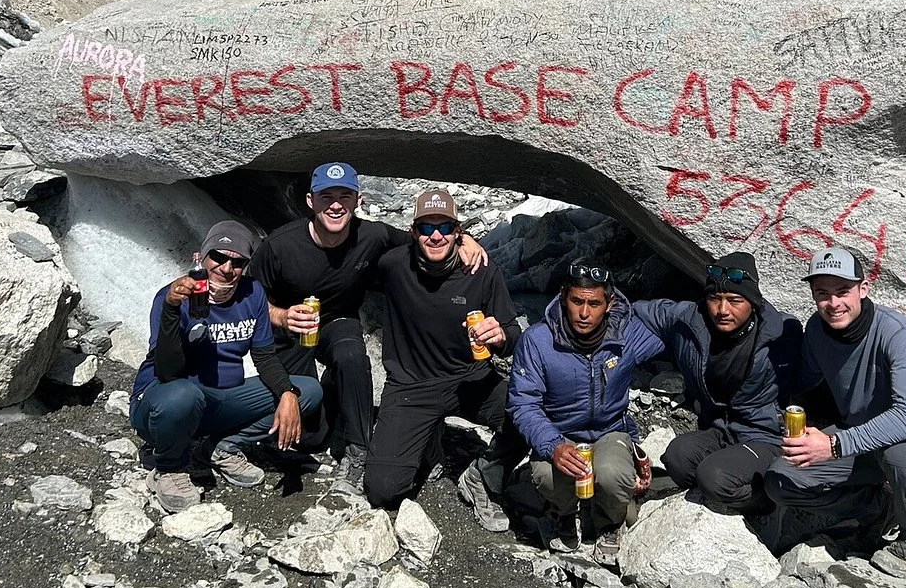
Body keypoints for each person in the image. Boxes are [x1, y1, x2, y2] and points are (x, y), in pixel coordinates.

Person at [250, 163, 485, 488]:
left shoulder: (372, 235)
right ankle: (331, 393)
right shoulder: (280, 245)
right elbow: (248, 296)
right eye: (326, 196)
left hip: (338, 321)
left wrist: (465, 239)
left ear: (357, 200)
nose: (335, 204)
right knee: (312, 437)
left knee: (351, 356)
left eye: (344, 196)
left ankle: (358, 448)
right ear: (310, 201)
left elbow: (425, 238)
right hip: (291, 327)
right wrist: (281, 316)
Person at [763, 246, 906, 577]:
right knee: (780, 481)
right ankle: (880, 507)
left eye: (843, 291)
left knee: (900, 454)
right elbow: (804, 384)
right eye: (822, 293)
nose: (833, 303)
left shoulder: (897, 334)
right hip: (861, 441)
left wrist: (833, 446)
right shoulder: (816, 330)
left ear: (863, 289)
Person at [130, 221, 323, 515]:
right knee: (183, 394)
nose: (226, 267)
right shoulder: (173, 296)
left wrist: (286, 393)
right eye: (218, 257)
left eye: (237, 262)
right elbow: (167, 372)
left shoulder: (252, 293)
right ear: (203, 257)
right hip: (162, 401)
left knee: (306, 390)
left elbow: (265, 356)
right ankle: (168, 468)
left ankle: (220, 447)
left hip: (218, 398)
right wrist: (171, 310)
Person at [363, 187, 526, 530]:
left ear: (457, 231)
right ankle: (428, 441)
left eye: (445, 227)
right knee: (382, 491)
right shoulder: (393, 265)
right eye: (426, 227)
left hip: (470, 380)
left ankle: (481, 476)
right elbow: (362, 234)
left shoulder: (481, 270)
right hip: (411, 387)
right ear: (413, 232)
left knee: (532, 419)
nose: (435, 236)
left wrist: (500, 337)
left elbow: (513, 335)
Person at [508, 262, 659, 565]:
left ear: (610, 303)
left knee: (613, 474)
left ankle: (609, 523)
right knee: (545, 474)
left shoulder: (628, 335)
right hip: (560, 432)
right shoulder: (537, 341)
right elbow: (523, 403)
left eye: (594, 303)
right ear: (564, 297)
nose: (584, 313)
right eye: (577, 301)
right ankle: (563, 513)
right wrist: (552, 445)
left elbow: (674, 333)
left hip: (610, 431)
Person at [632, 251, 801, 516]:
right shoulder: (692, 320)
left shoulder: (782, 334)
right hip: (720, 429)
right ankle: (721, 490)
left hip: (765, 436)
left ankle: (766, 502)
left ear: (753, 303)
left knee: (714, 477)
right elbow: (645, 310)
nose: (722, 310)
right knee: (677, 458)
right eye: (714, 299)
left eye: (735, 300)